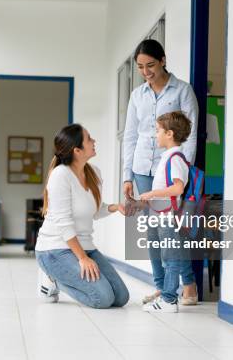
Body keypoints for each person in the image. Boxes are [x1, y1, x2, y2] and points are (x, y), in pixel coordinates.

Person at [122, 39, 199, 304]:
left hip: (171, 170)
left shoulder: (183, 91)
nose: (146, 72)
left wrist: (181, 171)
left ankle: (188, 284)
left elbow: (190, 136)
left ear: (163, 60)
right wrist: (127, 176)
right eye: (141, 67)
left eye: (151, 65)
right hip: (143, 168)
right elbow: (130, 137)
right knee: (152, 230)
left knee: (173, 229)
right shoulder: (137, 96)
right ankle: (161, 285)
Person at [35, 124, 130, 309]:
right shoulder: (60, 175)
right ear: (77, 150)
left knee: (120, 297)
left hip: (85, 246)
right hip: (55, 250)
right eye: (89, 139)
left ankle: (60, 276)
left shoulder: (93, 172)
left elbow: (92, 210)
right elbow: (64, 224)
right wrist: (83, 259)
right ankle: (53, 279)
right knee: (103, 298)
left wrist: (114, 207)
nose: (94, 141)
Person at [139, 111, 197, 312]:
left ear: (169, 134)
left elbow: (178, 188)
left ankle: (169, 299)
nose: (155, 135)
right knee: (166, 255)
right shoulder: (168, 157)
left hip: (168, 216)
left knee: (171, 257)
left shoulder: (175, 159)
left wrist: (152, 193)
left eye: (158, 131)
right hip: (160, 215)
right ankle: (166, 294)